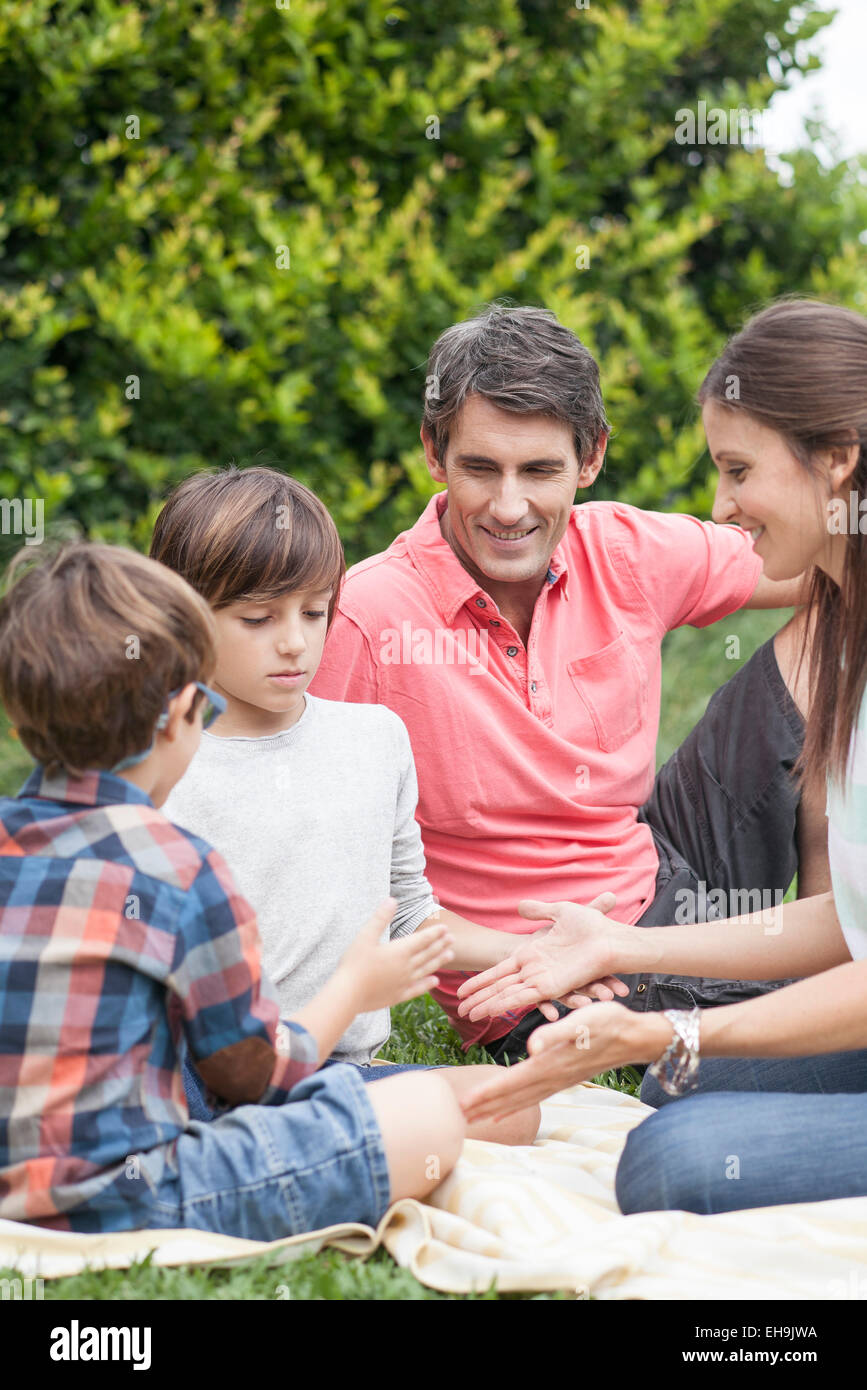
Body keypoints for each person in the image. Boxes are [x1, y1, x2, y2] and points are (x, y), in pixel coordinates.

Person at [310, 302, 829, 1063]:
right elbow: (318, 854)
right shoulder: (369, 616)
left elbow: (824, 558)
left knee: (834, 631)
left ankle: (833, 926)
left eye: (540, 471)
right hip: (532, 965)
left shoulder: (622, 548)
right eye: (480, 468)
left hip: (658, 868)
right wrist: (512, 960)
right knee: (810, 1037)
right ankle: (813, 983)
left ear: (589, 459)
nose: (508, 507)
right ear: (432, 453)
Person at [457, 298, 867, 1215]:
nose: (721, 505)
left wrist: (678, 1025)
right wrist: (618, 943)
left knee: (670, 1162)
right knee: (677, 1089)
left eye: (737, 470)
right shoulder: (847, 634)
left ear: (836, 458)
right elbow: (848, 922)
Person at [0, 542, 467, 1237]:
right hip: (131, 1199)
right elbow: (251, 1080)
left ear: (18, 724)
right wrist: (354, 990)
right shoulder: (179, 866)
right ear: (184, 714)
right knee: (425, 1116)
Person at [150, 467, 541, 1144]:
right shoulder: (161, 761)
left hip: (332, 1071)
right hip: (195, 1073)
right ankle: (253, 1144)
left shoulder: (374, 739)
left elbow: (411, 914)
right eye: (257, 618)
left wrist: (534, 953)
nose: (295, 642)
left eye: (314, 611)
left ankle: (268, 1146)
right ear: (185, 618)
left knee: (511, 1108)